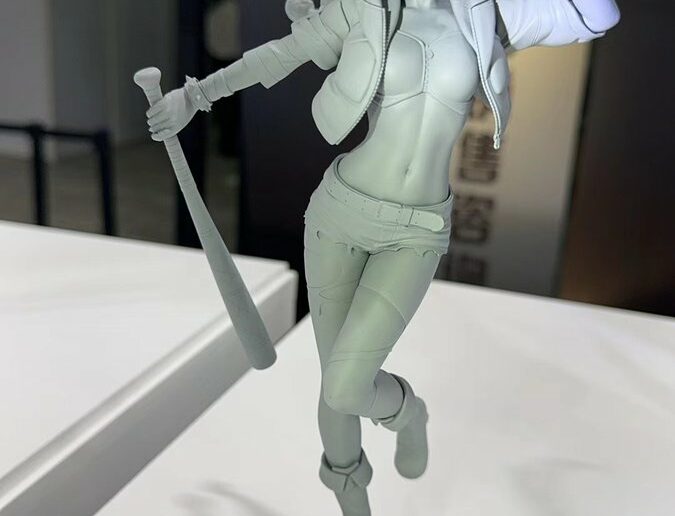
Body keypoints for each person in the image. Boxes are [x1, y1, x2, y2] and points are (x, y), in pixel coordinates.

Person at [145, 1, 620, 514]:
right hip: (339, 215)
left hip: (417, 233)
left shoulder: (490, 16)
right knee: (333, 391)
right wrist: (194, 96)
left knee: (346, 387)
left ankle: (409, 414)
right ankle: (353, 499)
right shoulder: (360, 8)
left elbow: (600, 15)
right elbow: (280, 55)